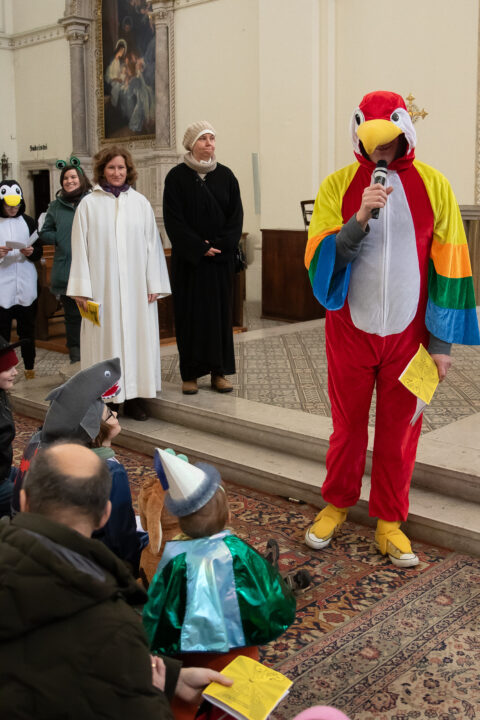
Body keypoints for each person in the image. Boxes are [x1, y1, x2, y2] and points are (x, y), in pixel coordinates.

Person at [304, 90, 480, 567]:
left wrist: (442, 344)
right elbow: (320, 259)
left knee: (402, 429)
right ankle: (337, 504)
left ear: (405, 134)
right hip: (349, 333)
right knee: (347, 426)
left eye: (389, 141)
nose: (381, 151)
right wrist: (358, 218)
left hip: (413, 338)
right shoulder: (337, 186)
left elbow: (452, 267)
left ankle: (389, 520)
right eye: (372, 142)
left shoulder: (434, 185)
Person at [0, 442, 231, 719]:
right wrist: (156, 685)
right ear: (104, 516)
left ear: (23, 500)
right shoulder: (111, 624)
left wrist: (171, 676)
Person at [143, 449, 296, 719]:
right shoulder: (239, 550)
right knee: (238, 697)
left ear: (180, 521)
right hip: (240, 649)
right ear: (227, 517)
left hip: (190, 656)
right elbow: (268, 595)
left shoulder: (174, 558)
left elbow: (160, 606)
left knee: (190, 702)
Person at [67, 144, 171, 421]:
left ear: (129, 171)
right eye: (111, 167)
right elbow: (80, 248)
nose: (116, 172)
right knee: (105, 345)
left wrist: (154, 284)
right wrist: (80, 289)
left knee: (136, 343)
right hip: (103, 290)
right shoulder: (89, 204)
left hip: (137, 291)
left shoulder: (140, 204)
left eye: (121, 168)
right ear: (102, 170)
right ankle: (108, 402)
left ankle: (135, 398)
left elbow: (152, 246)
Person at [163, 121, 244, 395]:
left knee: (220, 317)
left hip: (219, 262)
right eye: (203, 139)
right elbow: (174, 221)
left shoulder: (227, 176)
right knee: (191, 317)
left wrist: (219, 246)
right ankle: (191, 374)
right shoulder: (176, 177)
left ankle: (219, 372)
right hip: (191, 263)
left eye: (212, 138)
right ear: (191, 144)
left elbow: (236, 218)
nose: (209, 143)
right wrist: (198, 247)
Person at [39, 157, 92, 364]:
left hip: (90, 268)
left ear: (81, 178)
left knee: (91, 314)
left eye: (73, 177)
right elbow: (45, 232)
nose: (69, 181)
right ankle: (76, 356)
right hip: (66, 270)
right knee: (72, 316)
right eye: (66, 178)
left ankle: (93, 352)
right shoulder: (55, 206)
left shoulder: (91, 201)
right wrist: (60, 238)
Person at [0, 180, 42, 379]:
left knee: (27, 331)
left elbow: (39, 251)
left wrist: (32, 251)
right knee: (2, 335)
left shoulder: (29, 222)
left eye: (15, 204)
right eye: (8, 204)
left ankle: (29, 369)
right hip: (2, 287)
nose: (12, 207)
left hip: (26, 285)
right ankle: (3, 372)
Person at [0, 336, 22, 517]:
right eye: (8, 368)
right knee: (30, 500)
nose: (15, 372)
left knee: (38, 478)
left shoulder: (2, 395)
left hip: (4, 469)